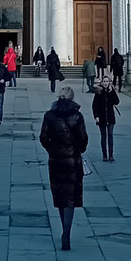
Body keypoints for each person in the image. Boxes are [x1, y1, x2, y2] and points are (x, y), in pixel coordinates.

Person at [39, 86, 88, 251]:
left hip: (56, 160)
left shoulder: (49, 115)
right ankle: (67, 231)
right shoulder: (77, 116)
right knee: (71, 198)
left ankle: (63, 228)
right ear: (72, 98)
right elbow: (83, 140)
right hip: (73, 161)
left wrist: (52, 149)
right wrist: (78, 149)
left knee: (60, 195)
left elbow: (43, 137)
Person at [92, 78, 120, 162]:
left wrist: (112, 92)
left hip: (110, 117)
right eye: (104, 81)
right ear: (101, 83)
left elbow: (117, 101)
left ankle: (111, 155)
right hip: (102, 117)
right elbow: (94, 106)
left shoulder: (111, 92)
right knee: (103, 136)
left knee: (110, 135)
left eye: (107, 82)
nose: (105, 83)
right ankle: (104, 155)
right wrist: (96, 116)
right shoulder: (98, 92)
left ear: (109, 83)